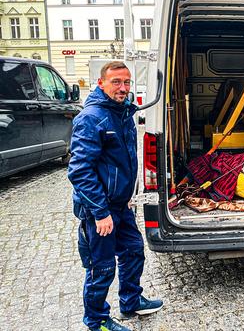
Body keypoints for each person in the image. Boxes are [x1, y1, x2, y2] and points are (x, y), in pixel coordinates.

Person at [68, 61, 163, 331]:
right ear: (101, 83)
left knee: (134, 252)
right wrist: (100, 212)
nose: (123, 88)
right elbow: (80, 171)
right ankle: (97, 321)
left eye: (126, 82)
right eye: (116, 82)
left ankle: (131, 302)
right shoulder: (91, 118)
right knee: (102, 268)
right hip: (100, 210)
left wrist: (127, 195)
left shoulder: (122, 113)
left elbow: (121, 163)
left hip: (121, 205)